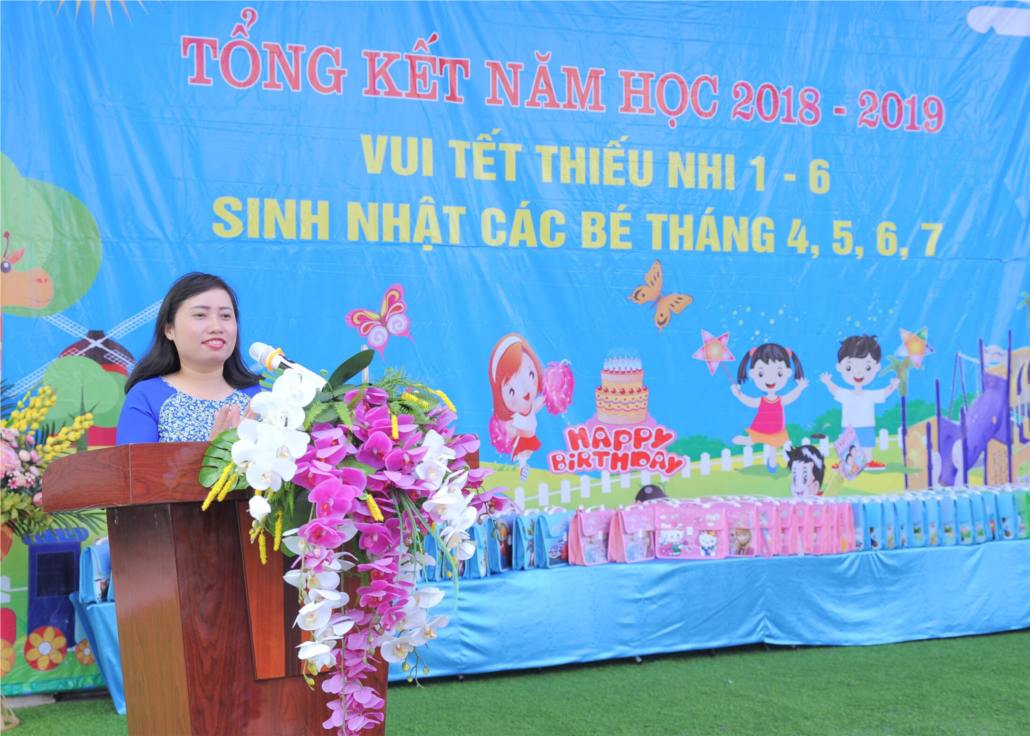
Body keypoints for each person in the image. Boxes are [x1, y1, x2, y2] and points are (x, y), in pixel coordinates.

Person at [117, 273, 261, 445]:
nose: (217, 327)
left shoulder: (262, 398)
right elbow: (133, 463)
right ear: (169, 330)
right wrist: (213, 453)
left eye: (225, 316)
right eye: (200, 315)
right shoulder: (146, 397)